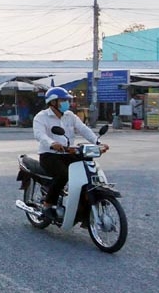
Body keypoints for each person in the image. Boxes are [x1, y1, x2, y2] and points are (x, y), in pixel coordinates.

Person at [33, 87, 108, 218]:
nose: (66, 103)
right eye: (62, 100)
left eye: (66, 100)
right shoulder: (41, 117)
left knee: (88, 170)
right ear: (53, 102)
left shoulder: (70, 115)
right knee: (63, 175)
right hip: (49, 155)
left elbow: (83, 129)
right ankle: (48, 204)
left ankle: (83, 203)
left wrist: (97, 142)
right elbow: (40, 134)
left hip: (68, 152)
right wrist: (52, 143)